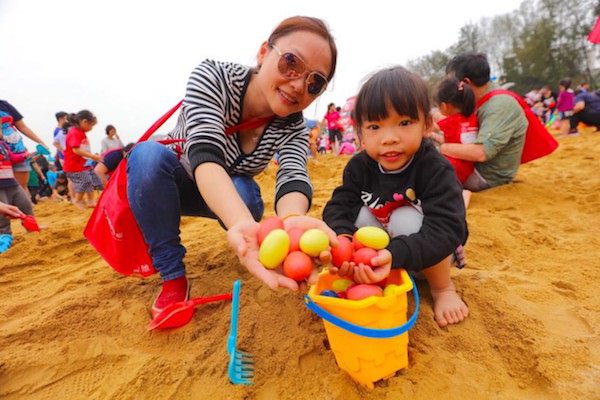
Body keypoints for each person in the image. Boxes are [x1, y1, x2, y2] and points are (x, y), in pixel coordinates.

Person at [126, 16, 339, 317]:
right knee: (146, 157)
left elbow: (293, 174)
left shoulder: (292, 124)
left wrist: (290, 221)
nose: (297, 85)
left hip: (229, 194)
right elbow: (205, 151)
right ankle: (173, 276)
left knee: (247, 191)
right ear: (264, 52)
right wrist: (239, 222)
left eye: (315, 82)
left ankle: (244, 233)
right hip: (175, 180)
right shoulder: (214, 76)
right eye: (291, 62)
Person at [322, 66, 469, 328]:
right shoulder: (359, 167)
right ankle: (377, 275)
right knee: (362, 214)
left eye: (404, 123)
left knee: (404, 218)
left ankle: (443, 289)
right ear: (360, 135)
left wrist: (393, 252)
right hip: (387, 253)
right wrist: (343, 241)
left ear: (426, 124)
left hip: (432, 251)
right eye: (375, 126)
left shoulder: (434, 168)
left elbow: (448, 229)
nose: (389, 138)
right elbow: (338, 208)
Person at [440, 53, 527, 192]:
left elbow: (480, 152)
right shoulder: (478, 101)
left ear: (466, 83)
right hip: (471, 167)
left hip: (485, 177)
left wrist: (440, 148)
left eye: (453, 83)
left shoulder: (500, 105)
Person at [0, 100, 50, 193]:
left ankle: (25, 207)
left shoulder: (4, 104)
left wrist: (40, 141)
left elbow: (22, 127)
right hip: (2, 155)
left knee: (21, 187)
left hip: (17, 150)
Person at [63, 110, 103, 209]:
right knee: (86, 181)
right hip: (74, 165)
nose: (91, 128)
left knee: (93, 180)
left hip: (83, 164)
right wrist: (93, 156)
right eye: (91, 125)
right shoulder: (75, 133)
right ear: (84, 122)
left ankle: (91, 201)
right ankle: (78, 200)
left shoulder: (81, 133)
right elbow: (76, 150)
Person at [0, 136, 34, 253]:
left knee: (25, 204)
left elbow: (12, 158)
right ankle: (4, 236)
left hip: (11, 182)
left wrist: (26, 155)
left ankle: (31, 226)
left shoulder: (3, 144)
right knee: (3, 216)